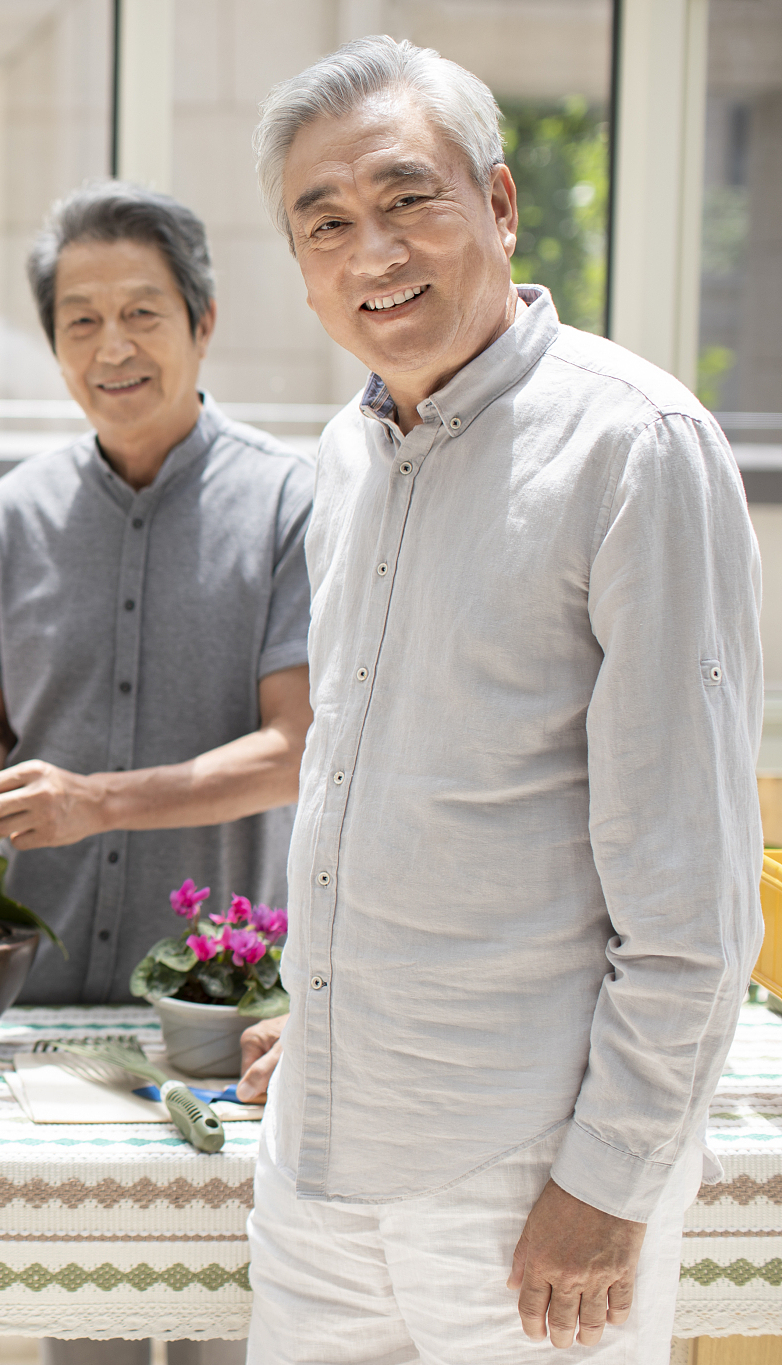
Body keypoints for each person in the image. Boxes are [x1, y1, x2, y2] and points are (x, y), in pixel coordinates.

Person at [238, 37, 761, 1362]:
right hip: (320, 1172)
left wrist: (611, 1184)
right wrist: (325, 1010)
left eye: (411, 198)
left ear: (501, 202)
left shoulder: (635, 447)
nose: (376, 251)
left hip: (526, 1178)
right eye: (329, 223)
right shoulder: (347, 457)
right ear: (301, 267)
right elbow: (376, 780)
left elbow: (694, 883)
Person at [0, 182, 314, 1011]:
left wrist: (96, 802)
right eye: (81, 321)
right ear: (55, 345)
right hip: (22, 987)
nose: (111, 347)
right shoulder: (11, 517)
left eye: (142, 314)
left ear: (204, 322)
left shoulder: (289, 505)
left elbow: (295, 751)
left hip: (215, 1001)